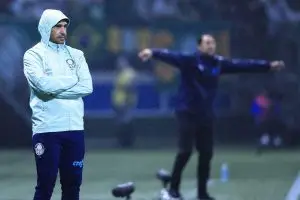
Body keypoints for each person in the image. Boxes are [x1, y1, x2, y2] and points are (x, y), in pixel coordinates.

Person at [138, 34, 285, 200]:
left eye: (213, 43)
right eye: (207, 43)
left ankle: (202, 193)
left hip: (205, 115)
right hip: (187, 112)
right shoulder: (190, 60)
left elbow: (242, 65)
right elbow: (170, 55)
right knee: (185, 152)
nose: (211, 46)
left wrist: (267, 66)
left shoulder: (218, 63)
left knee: (206, 153)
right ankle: (174, 189)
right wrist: (151, 52)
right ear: (199, 46)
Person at [23, 9, 93, 200]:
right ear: (46, 28)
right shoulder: (33, 55)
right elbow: (43, 87)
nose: (63, 31)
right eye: (57, 27)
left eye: (64, 26)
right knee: (45, 185)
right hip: (47, 128)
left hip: (75, 129)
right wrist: (72, 79)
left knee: (73, 186)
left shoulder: (77, 54)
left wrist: (55, 87)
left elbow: (87, 86)